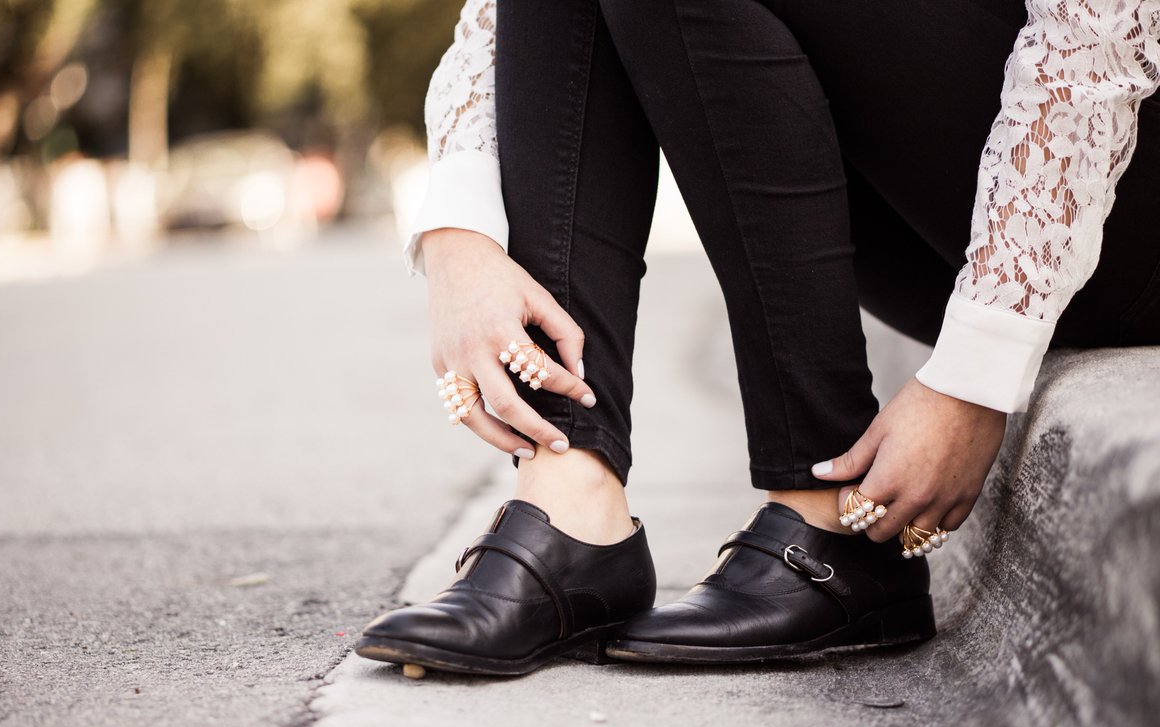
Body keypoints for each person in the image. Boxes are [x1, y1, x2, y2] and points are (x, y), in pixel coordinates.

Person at [355, 0, 1160, 674]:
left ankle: (827, 519)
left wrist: (980, 362)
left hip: (1125, 198)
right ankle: (571, 501)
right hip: (935, 208)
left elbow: (1095, 41)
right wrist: (458, 236)